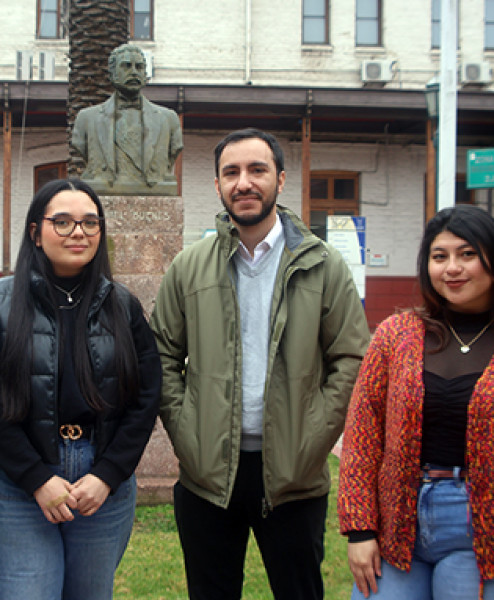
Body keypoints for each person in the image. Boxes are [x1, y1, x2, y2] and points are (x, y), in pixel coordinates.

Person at [150, 128, 370, 599]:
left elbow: (351, 357)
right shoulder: (189, 267)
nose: (244, 183)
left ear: (281, 179)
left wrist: (312, 438)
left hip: (293, 477)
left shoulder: (324, 266)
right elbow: (162, 354)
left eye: (257, 170)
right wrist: (187, 432)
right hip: (207, 477)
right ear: (217, 185)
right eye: (231, 172)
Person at [337, 205, 494, 600]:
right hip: (396, 520)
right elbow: (363, 438)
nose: (452, 268)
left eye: (467, 254)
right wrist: (360, 528)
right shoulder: (395, 336)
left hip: (486, 531)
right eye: (440, 257)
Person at [0, 178, 161, 599]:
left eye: (90, 223)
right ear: (36, 232)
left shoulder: (123, 305)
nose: (79, 232)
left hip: (100, 482)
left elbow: (145, 398)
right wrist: (36, 477)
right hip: (20, 480)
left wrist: (107, 475)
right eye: (64, 221)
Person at [71, 43, 183, 196]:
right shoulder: (87, 119)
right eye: (126, 66)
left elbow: (174, 150)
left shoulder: (168, 119)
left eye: (139, 67)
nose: (134, 72)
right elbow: (80, 147)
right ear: (112, 73)